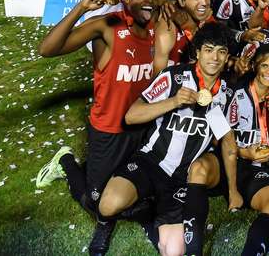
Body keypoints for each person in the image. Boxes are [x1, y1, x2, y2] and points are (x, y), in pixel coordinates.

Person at [35, 0, 160, 255]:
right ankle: (66, 161)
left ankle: (128, 210)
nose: (147, 1)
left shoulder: (156, 27)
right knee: (96, 202)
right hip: (109, 129)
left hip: (141, 127)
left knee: (141, 190)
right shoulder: (109, 26)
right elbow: (47, 49)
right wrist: (82, 8)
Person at [96, 24, 241, 256]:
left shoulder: (227, 94)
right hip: (151, 161)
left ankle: (147, 210)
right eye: (208, 50)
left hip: (181, 177)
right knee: (108, 205)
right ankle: (104, 226)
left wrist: (233, 191)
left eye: (221, 52)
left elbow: (228, 144)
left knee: (174, 252)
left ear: (227, 57)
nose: (214, 57)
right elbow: (132, 116)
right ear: (197, 52)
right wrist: (173, 102)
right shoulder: (173, 77)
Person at [223, 44, 269, 255]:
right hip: (237, 164)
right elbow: (219, 142)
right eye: (265, 66)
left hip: (264, 166)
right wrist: (246, 153)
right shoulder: (235, 94)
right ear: (254, 66)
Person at [153, 0, 217, 74]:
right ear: (182, 1)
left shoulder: (208, 19)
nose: (204, 2)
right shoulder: (169, 25)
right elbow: (158, 78)